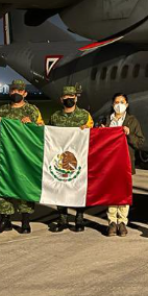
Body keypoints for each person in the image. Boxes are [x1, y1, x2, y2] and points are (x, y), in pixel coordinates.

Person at [0, 79, 44, 234]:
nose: (16, 93)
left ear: (25, 93)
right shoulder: (2, 111)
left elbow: (41, 131)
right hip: (4, 156)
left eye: (19, 91)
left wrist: (32, 124)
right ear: (9, 92)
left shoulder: (32, 110)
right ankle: (5, 219)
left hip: (25, 156)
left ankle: (25, 220)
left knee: (24, 185)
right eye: (13, 90)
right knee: (3, 185)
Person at [96, 93, 145, 237]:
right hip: (110, 162)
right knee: (112, 192)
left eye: (122, 102)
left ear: (127, 104)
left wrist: (129, 134)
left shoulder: (132, 121)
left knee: (124, 192)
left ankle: (122, 221)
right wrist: (101, 133)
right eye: (116, 102)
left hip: (125, 162)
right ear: (112, 105)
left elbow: (140, 142)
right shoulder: (106, 120)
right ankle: (112, 221)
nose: (119, 105)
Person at [48, 85, 94, 233]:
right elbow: (49, 136)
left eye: (71, 97)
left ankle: (79, 218)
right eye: (65, 97)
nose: (68, 99)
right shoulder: (55, 117)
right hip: (60, 158)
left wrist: (87, 130)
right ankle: (63, 219)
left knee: (78, 188)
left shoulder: (85, 116)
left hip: (79, 159)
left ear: (76, 98)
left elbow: (93, 134)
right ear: (61, 99)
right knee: (60, 188)